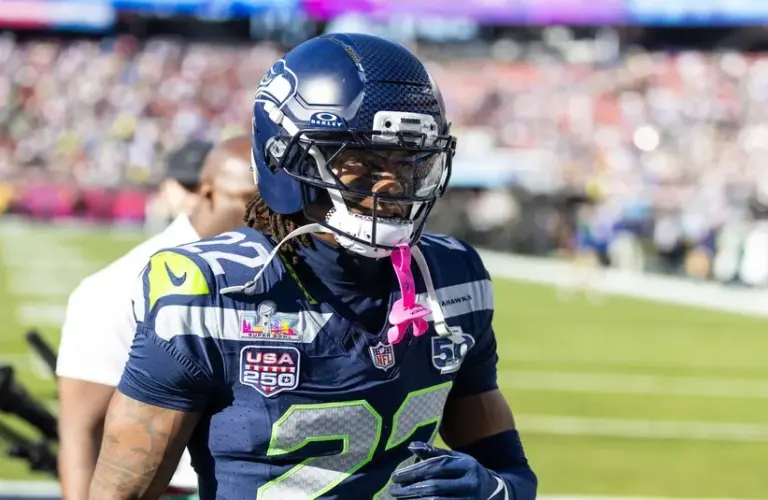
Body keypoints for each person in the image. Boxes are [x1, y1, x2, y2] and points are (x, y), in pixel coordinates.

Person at [90, 33, 538, 500]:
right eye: (361, 163)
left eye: (409, 162)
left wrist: (493, 490)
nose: (391, 187)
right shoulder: (210, 289)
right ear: (286, 159)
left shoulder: (451, 278)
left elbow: (513, 474)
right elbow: (120, 494)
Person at [56, 135, 257, 499]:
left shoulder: (284, 271)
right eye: (250, 199)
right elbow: (81, 432)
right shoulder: (118, 285)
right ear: (207, 192)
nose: (266, 215)